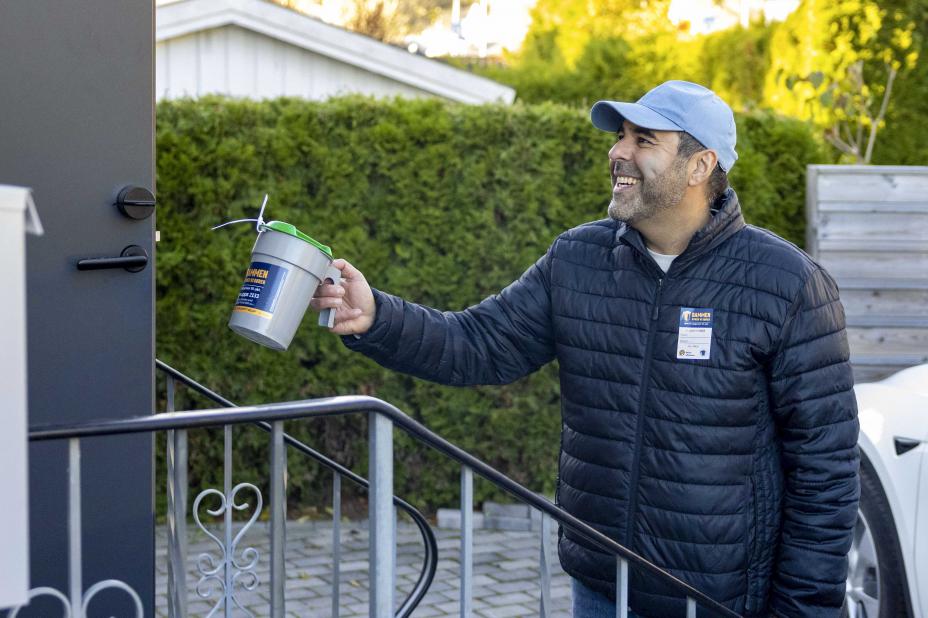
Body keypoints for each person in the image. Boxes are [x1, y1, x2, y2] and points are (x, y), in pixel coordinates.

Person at [310, 81, 860, 618]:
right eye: (621, 137)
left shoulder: (787, 284)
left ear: (700, 165)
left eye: (644, 140)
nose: (618, 153)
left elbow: (825, 471)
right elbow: (477, 343)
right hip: (602, 585)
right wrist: (376, 317)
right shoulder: (578, 259)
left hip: (719, 598)